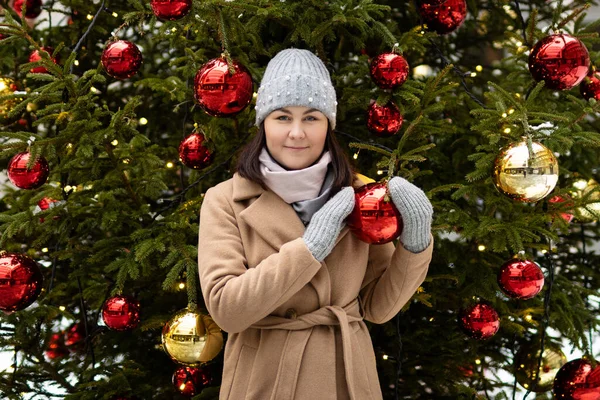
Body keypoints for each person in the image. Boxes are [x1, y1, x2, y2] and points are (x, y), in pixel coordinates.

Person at [197, 48, 434, 400]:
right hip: (264, 379)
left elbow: (378, 308)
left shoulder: (362, 197)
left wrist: (415, 244)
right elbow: (228, 311)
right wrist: (310, 248)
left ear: (328, 124)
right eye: (282, 117)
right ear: (264, 123)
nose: (296, 133)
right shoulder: (224, 200)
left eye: (311, 118)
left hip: (345, 379)